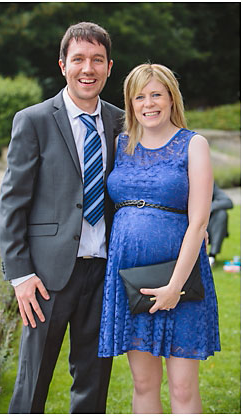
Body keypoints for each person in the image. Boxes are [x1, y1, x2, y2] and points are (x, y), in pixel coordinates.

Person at [0, 22, 122, 413]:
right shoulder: (33, 120)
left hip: (104, 272)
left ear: (109, 66)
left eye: (97, 60)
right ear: (62, 64)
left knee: (94, 381)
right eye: (79, 59)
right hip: (46, 277)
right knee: (32, 381)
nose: (88, 69)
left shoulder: (122, 123)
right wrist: (20, 275)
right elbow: (13, 202)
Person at [98, 63, 219, 413]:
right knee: (144, 383)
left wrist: (174, 287)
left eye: (156, 95)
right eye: (140, 96)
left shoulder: (193, 144)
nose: (148, 103)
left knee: (182, 388)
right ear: (130, 103)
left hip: (180, 281)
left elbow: (198, 223)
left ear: (170, 99)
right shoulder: (120, 144)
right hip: (130, 281)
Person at [208, 183, 233, 265]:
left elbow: (228, 202)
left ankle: (212, 256)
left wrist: (209, 207)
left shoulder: (209, 184)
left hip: (208, 226)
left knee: (222, 214)